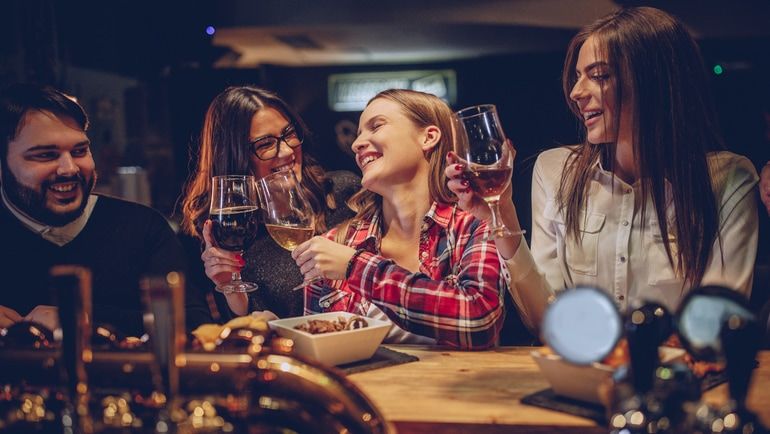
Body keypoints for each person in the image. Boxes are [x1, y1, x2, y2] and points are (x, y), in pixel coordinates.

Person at [447, 6, 759, 332]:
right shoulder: (555, 171)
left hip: (677, 380)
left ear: (654, 80)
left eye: (598, 76)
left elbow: (717, 326)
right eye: (577, 77)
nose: (576, 93)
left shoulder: (727, 179)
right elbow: (547, 323)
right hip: (581, 377)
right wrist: (504, 213)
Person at [291, 89, 506, 349]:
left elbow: (480, 320)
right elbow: (318, 348)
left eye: (376, 126)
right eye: (359, 133)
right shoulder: (337, 242)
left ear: (428, 137)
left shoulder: (473, 224)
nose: (357, 143)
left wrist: (355, 268)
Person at [0, 83, 211, 334]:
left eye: (80, 151)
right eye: (45, 155)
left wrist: (81, 319)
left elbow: (195, 326)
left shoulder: (142, 228)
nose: (69, 168)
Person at [179, 86, 359, 320]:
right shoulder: (227, 235)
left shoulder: (344, 192)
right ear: (235, 156)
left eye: (289, 134)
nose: (286, 151)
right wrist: (230, 289)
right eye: (265, 144)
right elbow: (242, 329)